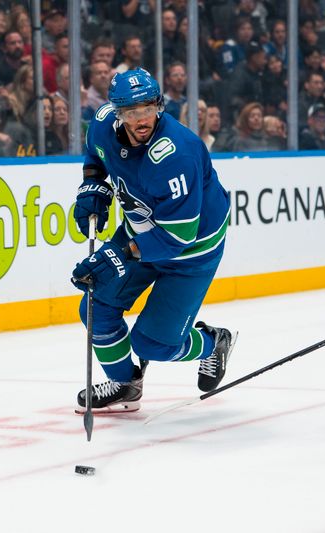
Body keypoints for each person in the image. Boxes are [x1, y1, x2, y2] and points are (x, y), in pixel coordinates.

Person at [70, 68, 234, 413]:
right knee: (96, 308)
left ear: (159, 104)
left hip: (191, 253)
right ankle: (125, 384)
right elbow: (96, 155)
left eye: (148, 107)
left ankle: (211, 343)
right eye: (131, 112)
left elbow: (177, 237)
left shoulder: (178, 154)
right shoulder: (102, 124)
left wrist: (118, 255)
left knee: (154, 345)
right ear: (116, 113)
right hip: (140, 233)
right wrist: (93, 184)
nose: (141, 118)